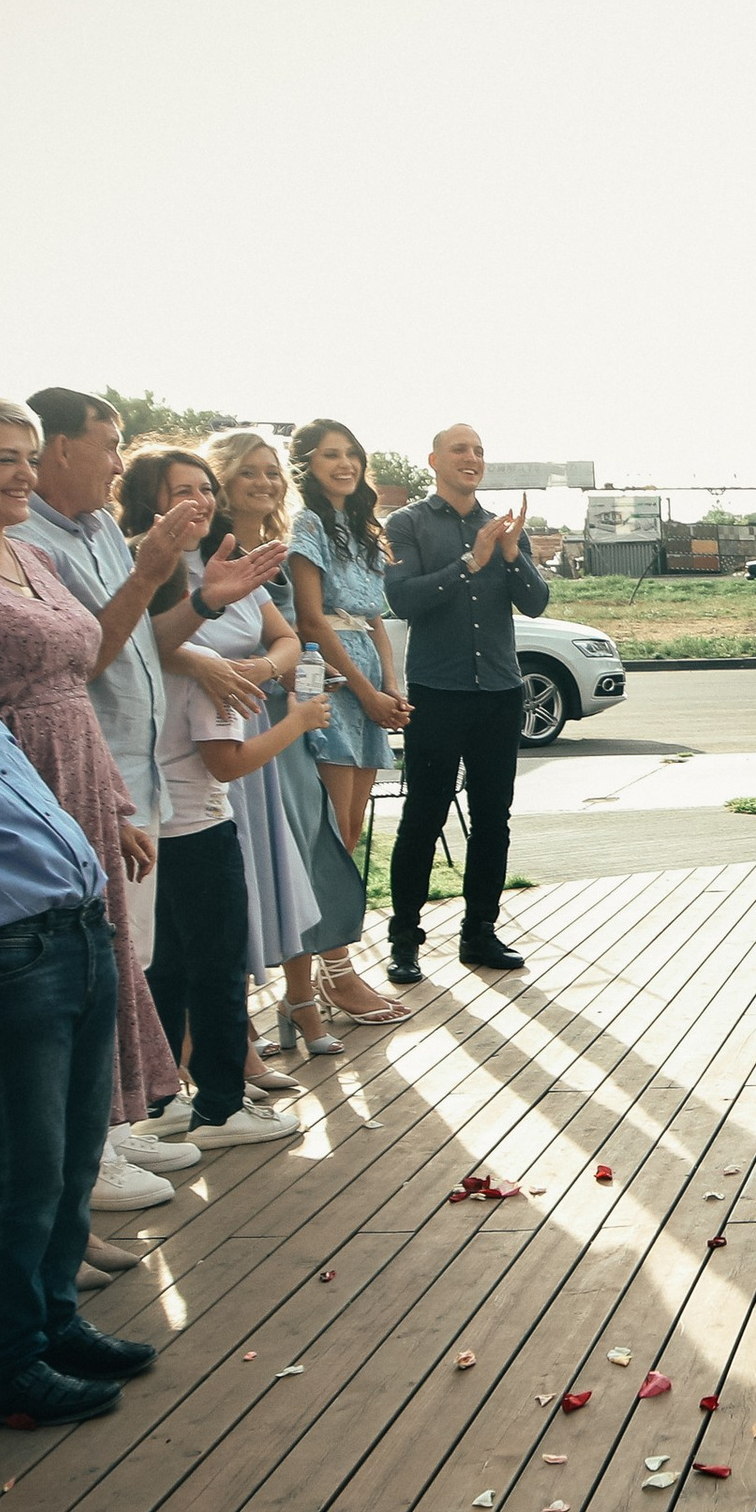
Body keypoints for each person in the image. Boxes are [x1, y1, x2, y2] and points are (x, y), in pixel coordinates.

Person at [17, 386, 286, 1208]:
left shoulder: (96, 528)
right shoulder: (33, 542)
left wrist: (204, 601)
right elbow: (85, 662)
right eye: (108, 441)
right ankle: (92, 1153)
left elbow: (148, 643)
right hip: (84, 778)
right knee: (109, 966)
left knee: (130, 962)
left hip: (137, 781)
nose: (116, 457)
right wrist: (154, 575)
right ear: (59, 448)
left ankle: (116, 1130)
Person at [0, 391, 182, 1143]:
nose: (25, 477)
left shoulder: (33, 555)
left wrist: (112, 803)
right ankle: (22, 1187)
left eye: (30, 460)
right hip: (8, 807)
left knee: (90, 984)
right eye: (5, 460)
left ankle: (83, 1176)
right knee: (23, 1000)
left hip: (78, 791)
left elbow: (76, 686)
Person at [0, 605, 160, 1426]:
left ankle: (52, 1319)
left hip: (79, 938)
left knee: (68, 1160)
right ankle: (2, 1365)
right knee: (23, 1172)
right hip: (3, 963)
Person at [142, 495, 337, 1148]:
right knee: (216, 964)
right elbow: (228, 762)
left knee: (164, 964)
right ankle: (222, 1105)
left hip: (157, 815)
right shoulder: (213, 665)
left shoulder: (164, 653)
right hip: (198, 821)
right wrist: (298, 721)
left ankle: (162, 1097)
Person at [200, 427, 377, 1049]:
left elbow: (291, 641)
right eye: (250, 471)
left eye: (271, 472)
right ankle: (244, 1017)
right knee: (248, 865)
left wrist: (295, 676)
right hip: (235, 721)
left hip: (291, 716)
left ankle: (299, 999)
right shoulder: (209, 551)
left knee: (307, 851)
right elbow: (299, 626)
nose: (265, 482)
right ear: (222, 479)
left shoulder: (273, 543)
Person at [382, 423, 546, 983]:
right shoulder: (406, 524)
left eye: (479, 450)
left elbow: (537, 603)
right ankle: (405, 939)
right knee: (423, 817)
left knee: (492, 820)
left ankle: (480, 933)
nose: (472, 458)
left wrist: (509, 554)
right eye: (460, 449)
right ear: (433, 460)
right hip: (437, 692)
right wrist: (470, 563)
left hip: (499, 693)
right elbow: (402, 600)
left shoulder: (501, 526)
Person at [284, 417, 412, 1028]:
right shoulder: (306, 524)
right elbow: (311, 618)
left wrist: (391, 685)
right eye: (329, 455)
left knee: (353, 827)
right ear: (306, 464)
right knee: (331, 834)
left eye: (351, 454)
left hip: (365, 671)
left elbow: (376, 618)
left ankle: (326, 970)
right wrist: (363, 690)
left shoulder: (362, 529)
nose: (344, 464)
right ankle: (328, 976)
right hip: (328, 674)